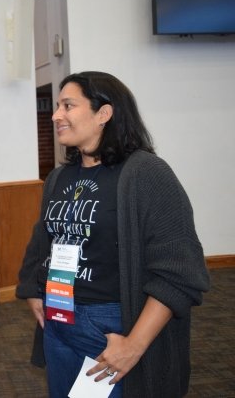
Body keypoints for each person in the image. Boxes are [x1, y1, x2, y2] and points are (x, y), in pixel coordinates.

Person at [16, 71, 210, 397]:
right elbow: (44, 241)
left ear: (103, 114)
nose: (56, 115)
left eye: (68, 105)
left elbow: (180, 272)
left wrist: (134, 345)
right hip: (58, 322)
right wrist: (34, 290)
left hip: (110, 330)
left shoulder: (146, 174)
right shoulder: (60, 177)